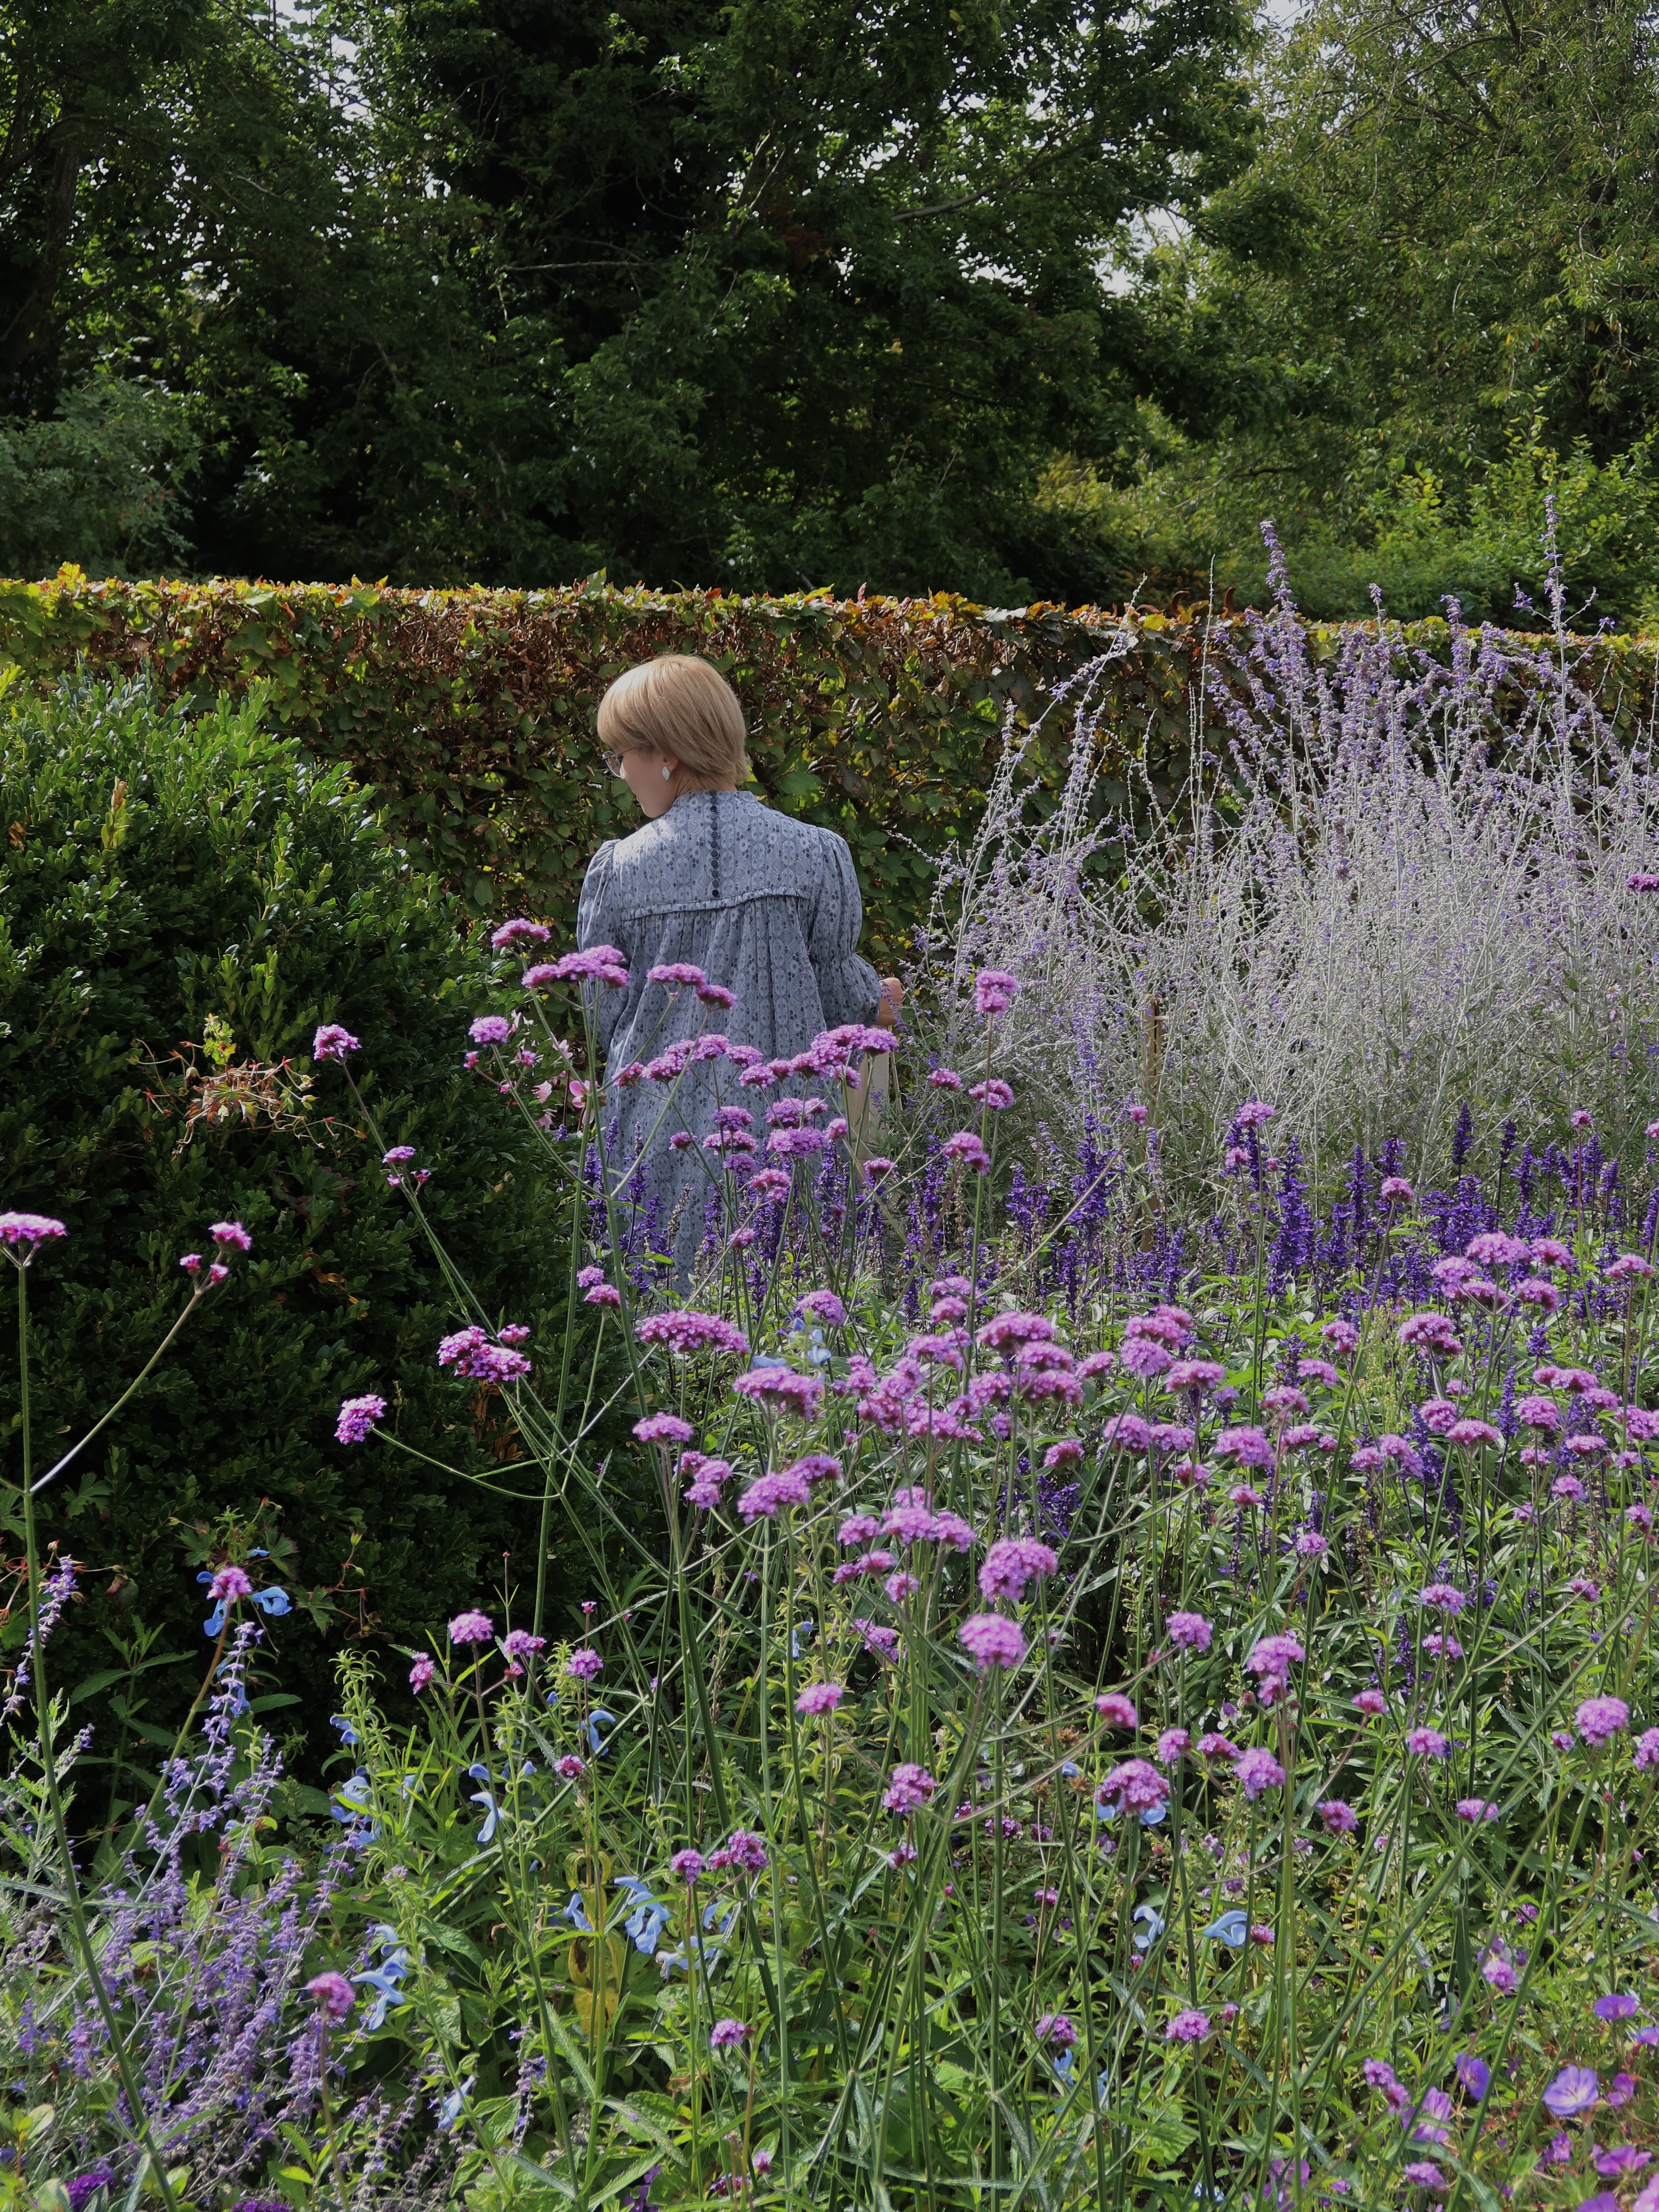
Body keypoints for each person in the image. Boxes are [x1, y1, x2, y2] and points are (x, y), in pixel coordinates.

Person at [576, 654, 901, 1277]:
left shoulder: (619, 870)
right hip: (786, 1131)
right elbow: (841, 1000)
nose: (620, 773)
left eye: (621, 755)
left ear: (665, 752)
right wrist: (879, 997)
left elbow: (601, 1015)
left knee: (660, 1322)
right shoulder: (814, 853)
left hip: (657, 1138)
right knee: (794, 1319)